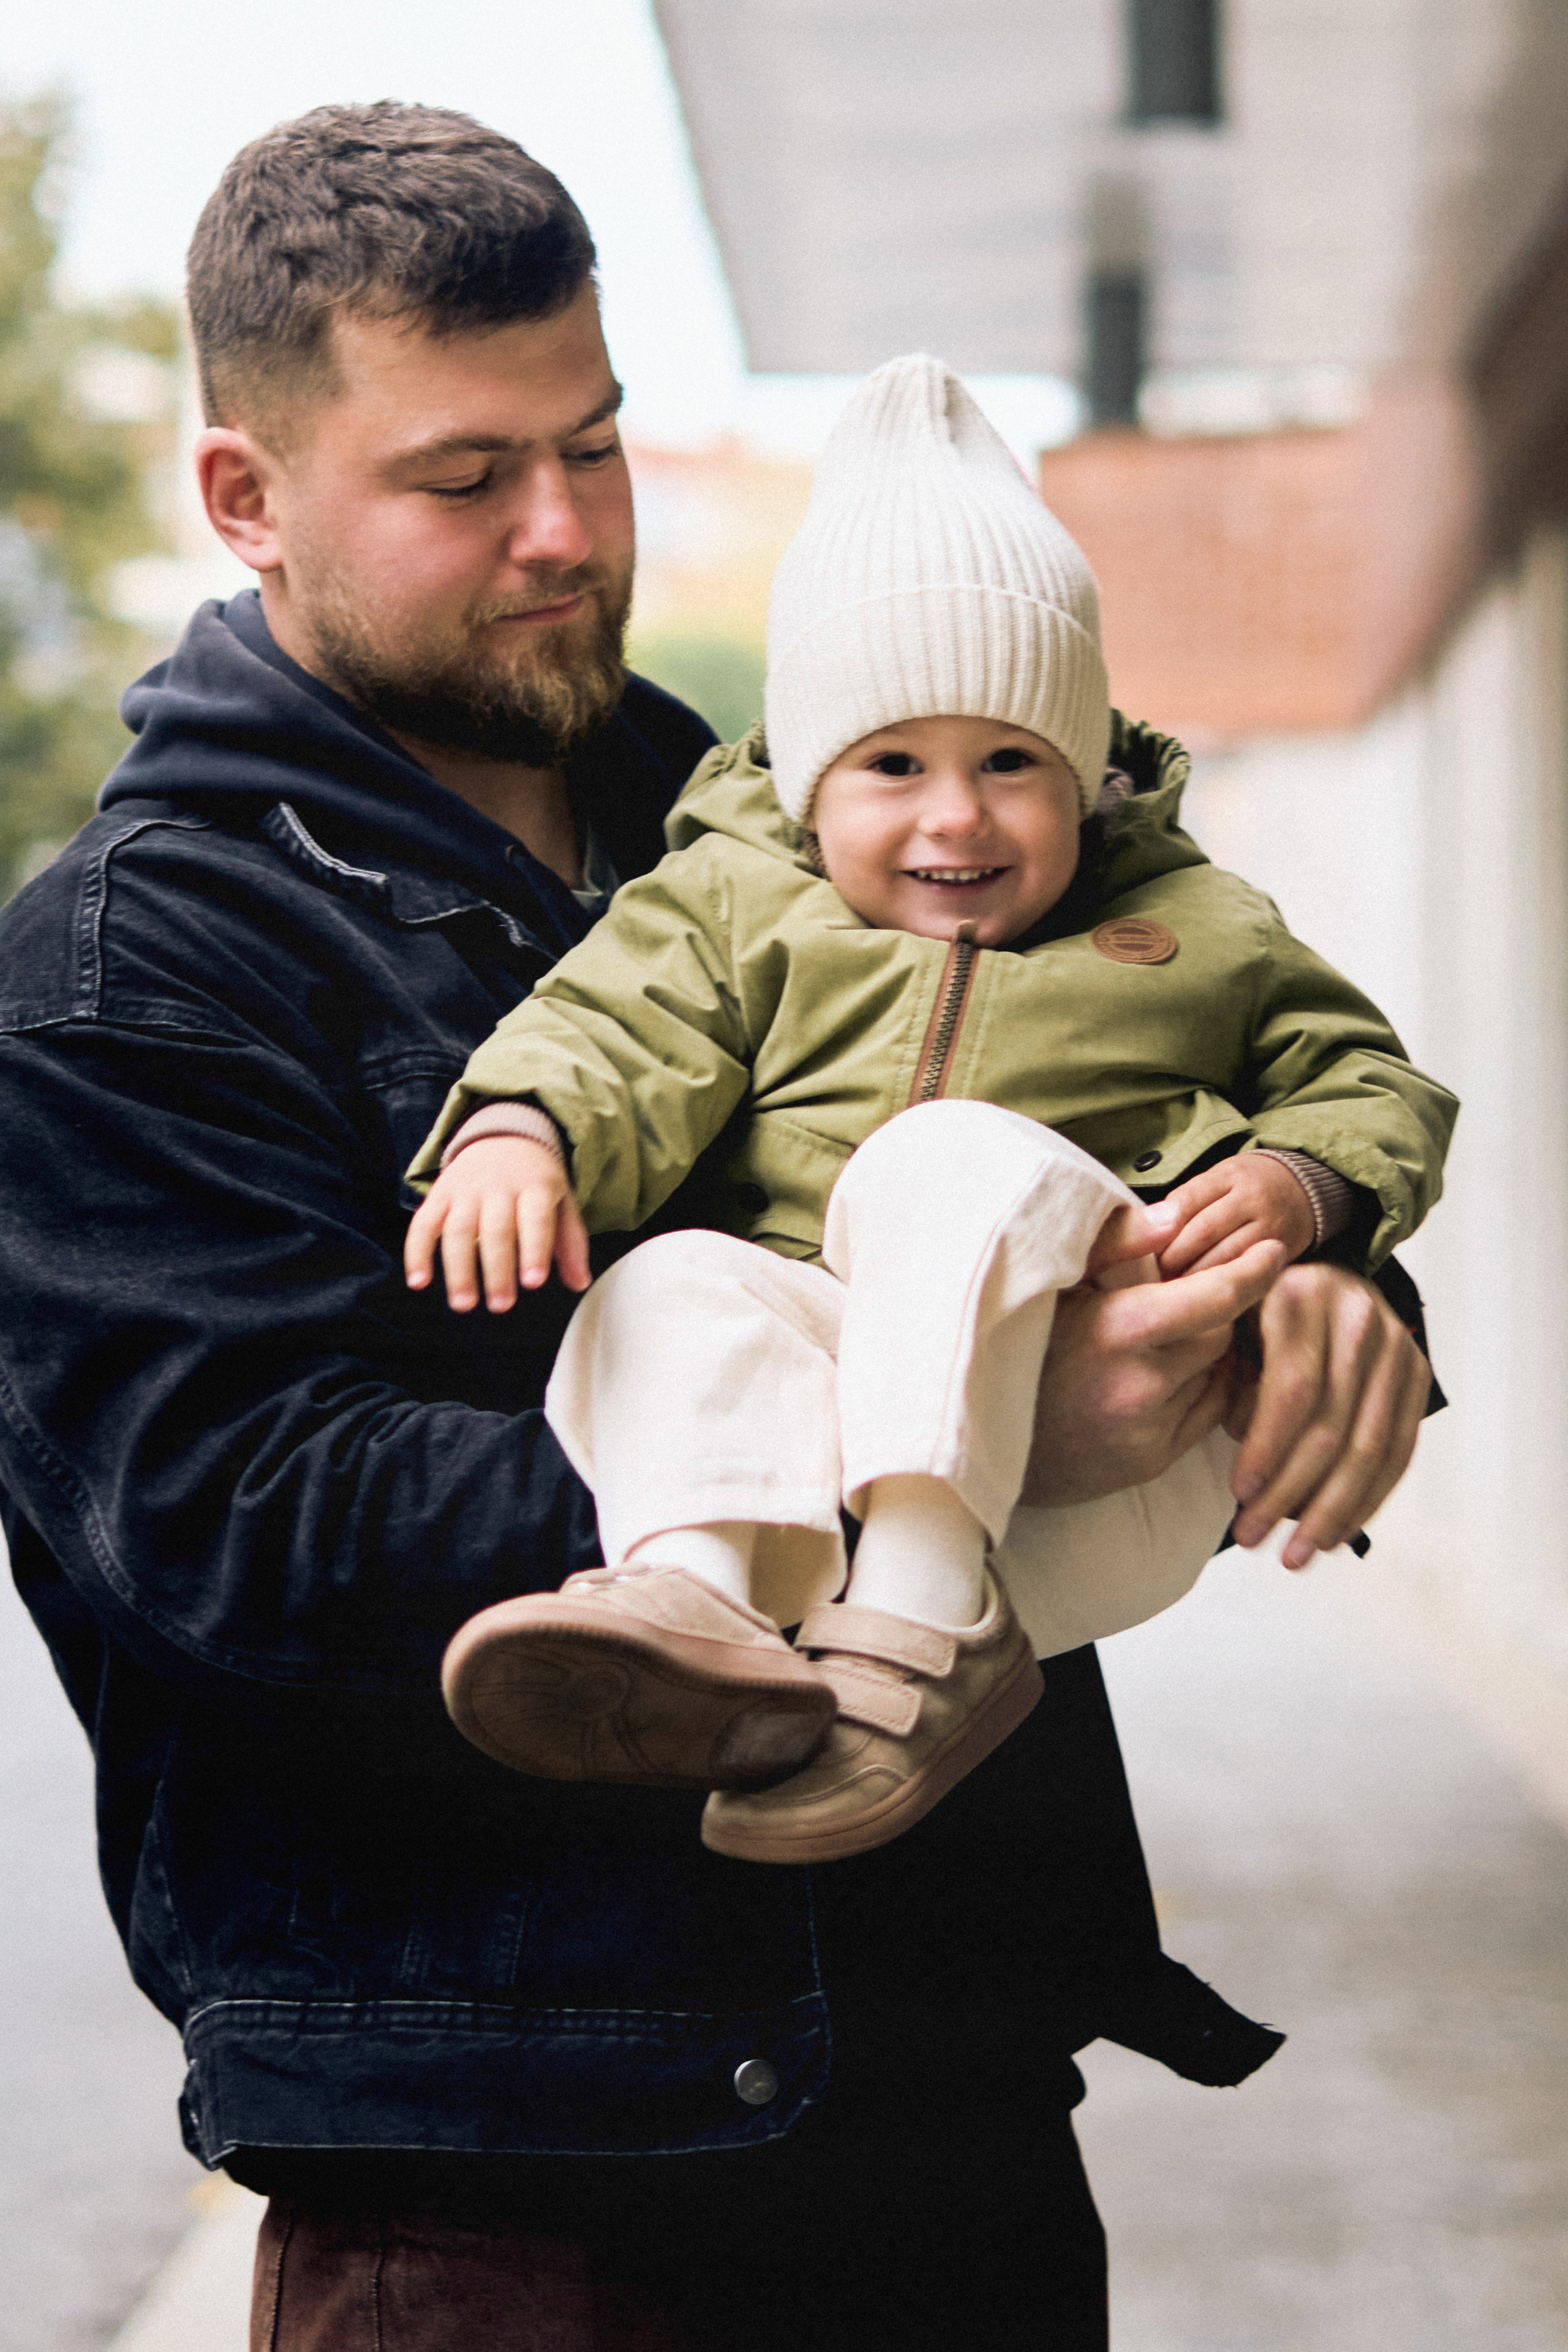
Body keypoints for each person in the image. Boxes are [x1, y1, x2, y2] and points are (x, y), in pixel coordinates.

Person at [0, 104, 1436, 2352]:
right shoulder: (122, 968)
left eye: (598, 443)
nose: (565, 533)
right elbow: (226, 1527)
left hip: (958, 2108)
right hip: (514, 2204)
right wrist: (939, 1435)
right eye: (467, 480)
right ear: (246, 500)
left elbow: (1180, 1073)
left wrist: (1328, 1284)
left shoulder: (839, 817)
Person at [404, 353, 1457, 1871]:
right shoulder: (729, 902)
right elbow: (611, 1026)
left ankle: (931, 1613)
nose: (953, 816)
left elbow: (1370, 1079)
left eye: (1012, 763)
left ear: (1088, 772)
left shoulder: (1194, 920)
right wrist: (518, 1131)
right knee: (672, 1282)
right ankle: (696, 1606)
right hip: (826, 1461)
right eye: (892, 763)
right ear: (809, 786)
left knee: (946, 1159)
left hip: (1120, 1445)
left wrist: (1306, 1194)